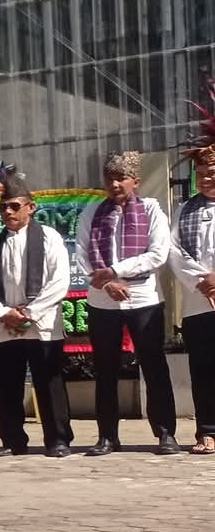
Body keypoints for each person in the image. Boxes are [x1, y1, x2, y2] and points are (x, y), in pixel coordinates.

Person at [77, 152, 180, 455]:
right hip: (102, 299)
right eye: (109, 178)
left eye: (121, 177)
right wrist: (107, 282)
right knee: (105, 369)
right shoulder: (92, 213)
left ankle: (165, 433)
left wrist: (117, 271)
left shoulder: (151, 210)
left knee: (153, 366)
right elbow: (82, 254)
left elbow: (158, 254)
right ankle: (107, 436)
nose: (114, 183)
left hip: (144, 298)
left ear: (135, 181)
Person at [0, 177, 74, 457]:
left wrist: (29, 313)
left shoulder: (49, 238)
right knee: (7, 384)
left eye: (14, 206)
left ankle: (58, 439)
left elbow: (59, 281)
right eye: (3, 208)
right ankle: (12, 440)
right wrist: (5, 313)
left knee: (49, 383)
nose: (7, 212)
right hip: (4, 325)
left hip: (41, 323)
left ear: (31, 207)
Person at [170, 142, 215, 454]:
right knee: (203, 370)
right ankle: (208, 431)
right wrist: (205, 280)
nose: (205, 179)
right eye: (200, 174)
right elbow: (174, 252)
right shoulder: (185, 209)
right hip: (199, 302)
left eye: (211, 173)